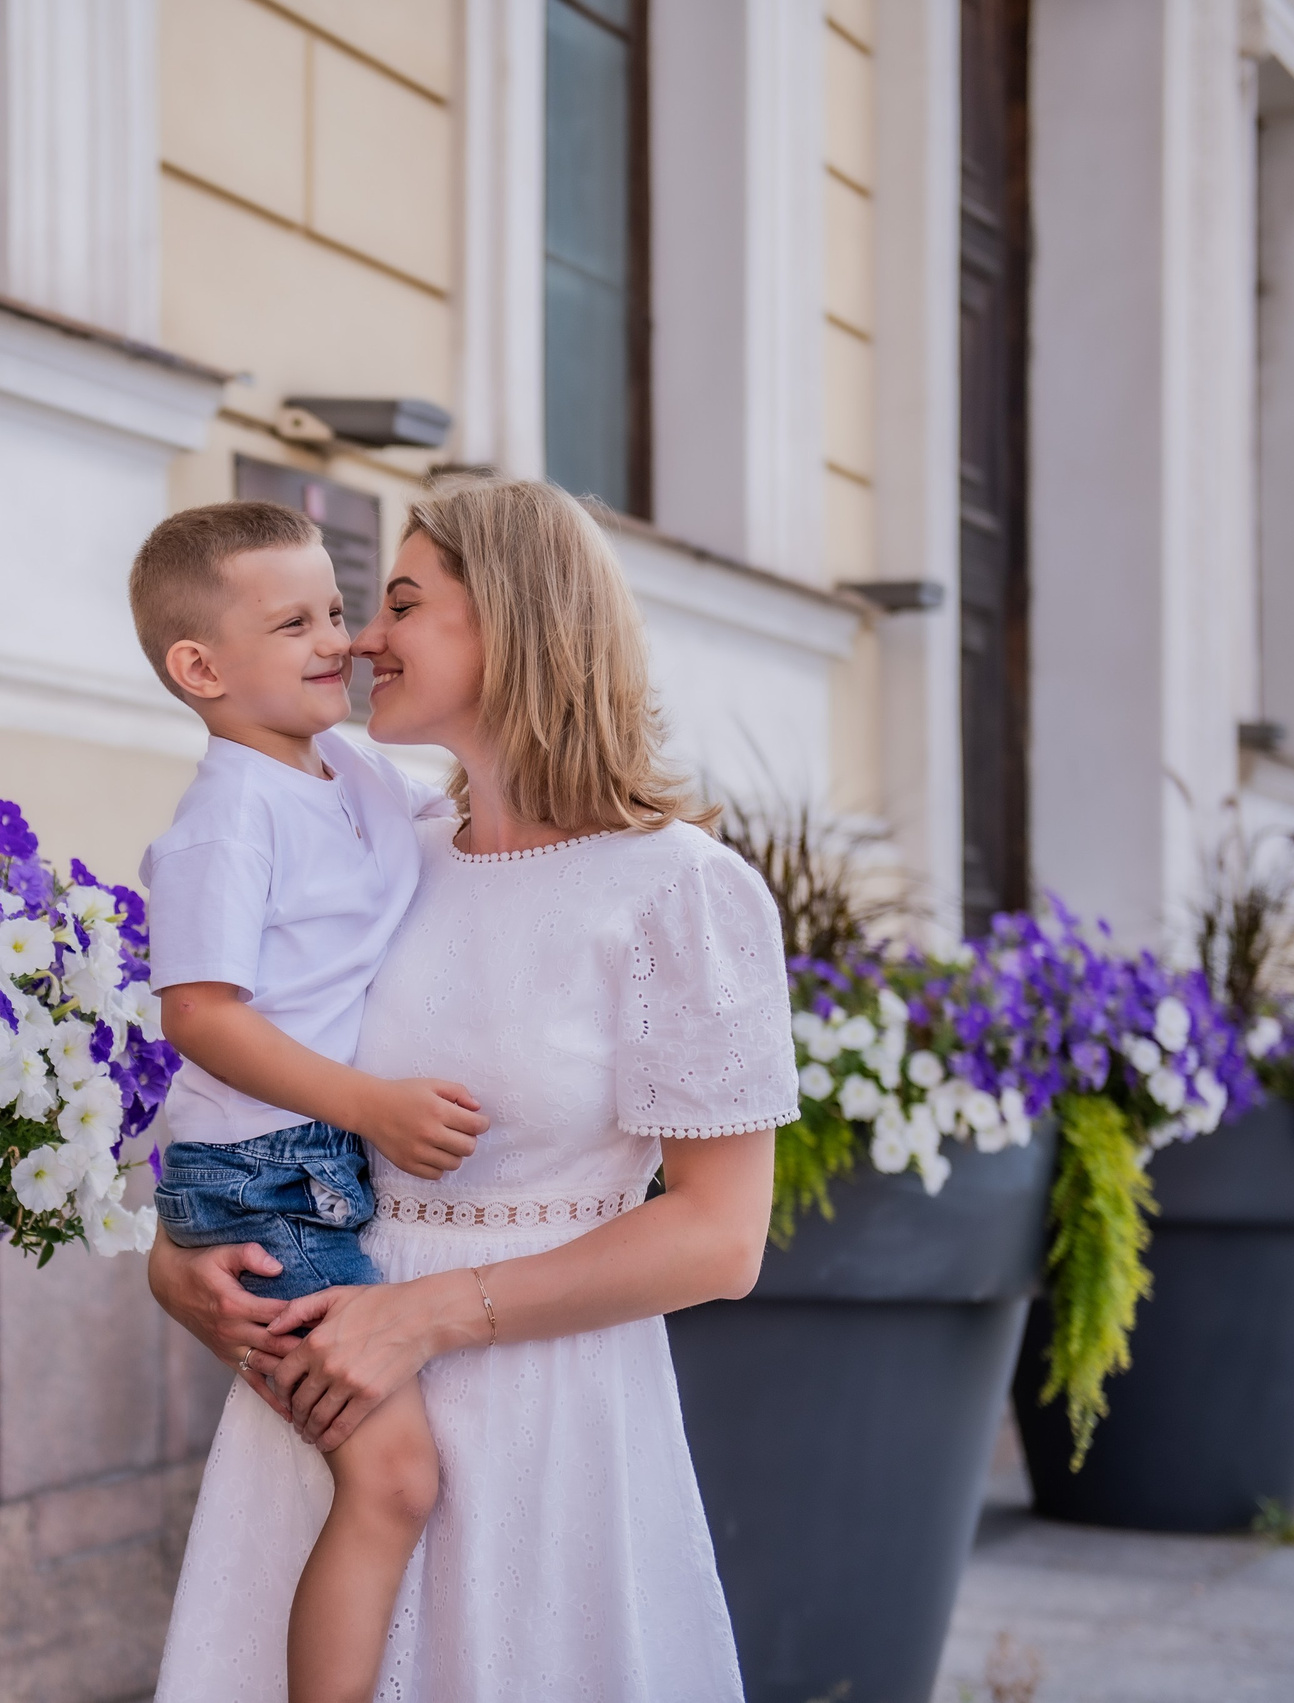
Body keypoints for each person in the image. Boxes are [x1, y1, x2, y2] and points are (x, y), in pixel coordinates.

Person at [149, 478, 796, 1702]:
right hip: (328, 1384)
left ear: (515, 621)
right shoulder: (383, 848)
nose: (360, 639)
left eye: (400, 602)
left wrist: (432, 1313)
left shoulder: (678, 890)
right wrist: (177, 1258)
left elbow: (722, 1238)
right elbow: (251, 1069)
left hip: (548, 1414)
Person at [127, 500, 490, 1703]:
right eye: (295, 622)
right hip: (261, 1173)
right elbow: (203, 1016)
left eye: (338, 611)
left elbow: (462, 839)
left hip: (325, 1161)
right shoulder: (226, 817)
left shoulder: (353, 766)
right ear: (201, 666)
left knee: (397, 1474)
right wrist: (373, 1104)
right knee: (392, 1473)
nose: (337, 639)